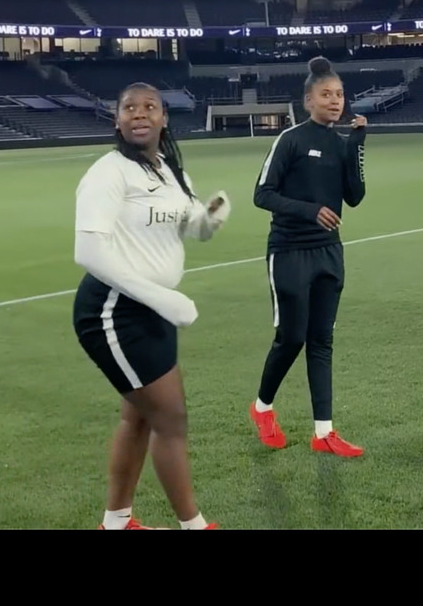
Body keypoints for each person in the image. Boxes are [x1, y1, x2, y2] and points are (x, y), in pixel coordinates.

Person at [72, 82, 231, 530]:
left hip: (153, 310)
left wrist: (208, 219)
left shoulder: (170, 170)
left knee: (139, 414)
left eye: (150, 107)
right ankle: (194, 525)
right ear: (116, 119)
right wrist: (161, 296)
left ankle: (116, 522)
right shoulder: (109, 172)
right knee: (170, 417)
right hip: (112, 311)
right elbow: (89, 253)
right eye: (129, 107)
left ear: (164, 118)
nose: (139, 113)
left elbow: (188, 228)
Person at [248, 56, 368, 458]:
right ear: (308, 100)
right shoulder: (291, 139)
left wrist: (357, 147)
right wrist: (308, 209)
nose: (334, 101)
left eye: (339, 94)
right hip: (289, 251)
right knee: (292, 337)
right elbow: (262, 194)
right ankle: (262, 407)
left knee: (321, 340)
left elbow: (355, 196)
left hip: (329, 252)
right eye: (325, 94)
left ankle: (324, 432)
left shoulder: (340, 142)